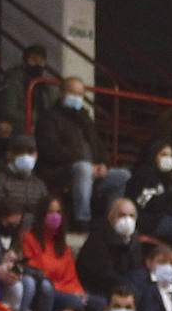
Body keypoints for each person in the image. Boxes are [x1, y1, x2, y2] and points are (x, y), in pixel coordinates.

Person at [35, 76, 129, 227]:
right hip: (61, 171)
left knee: (123, 176)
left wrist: (103, 164)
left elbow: (98, 145)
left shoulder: (85, 118)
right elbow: (50, 149)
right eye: (73, 93)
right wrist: (81, 161)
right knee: (83, 168)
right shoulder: (49, 118)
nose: (77, 97)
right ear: (61, 93)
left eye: (80, 94)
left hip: (91, 171)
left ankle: (112, 220)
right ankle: (83, 220)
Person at [75, 197, 143, 299]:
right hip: (97, 290)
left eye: (131, 216)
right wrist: (129, 287)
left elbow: (137, 267)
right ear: (111, 217)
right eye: (122, 215)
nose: (127, 220)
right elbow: (104, 274)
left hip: (125, 289)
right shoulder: (97, 238)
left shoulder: (134, 239)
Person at [0, 132, 50, 227]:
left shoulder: (39, 184)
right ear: (9, 154)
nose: (25, 156)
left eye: (30, 152)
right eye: (20, 152)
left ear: (36, 155)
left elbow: (46, 210)